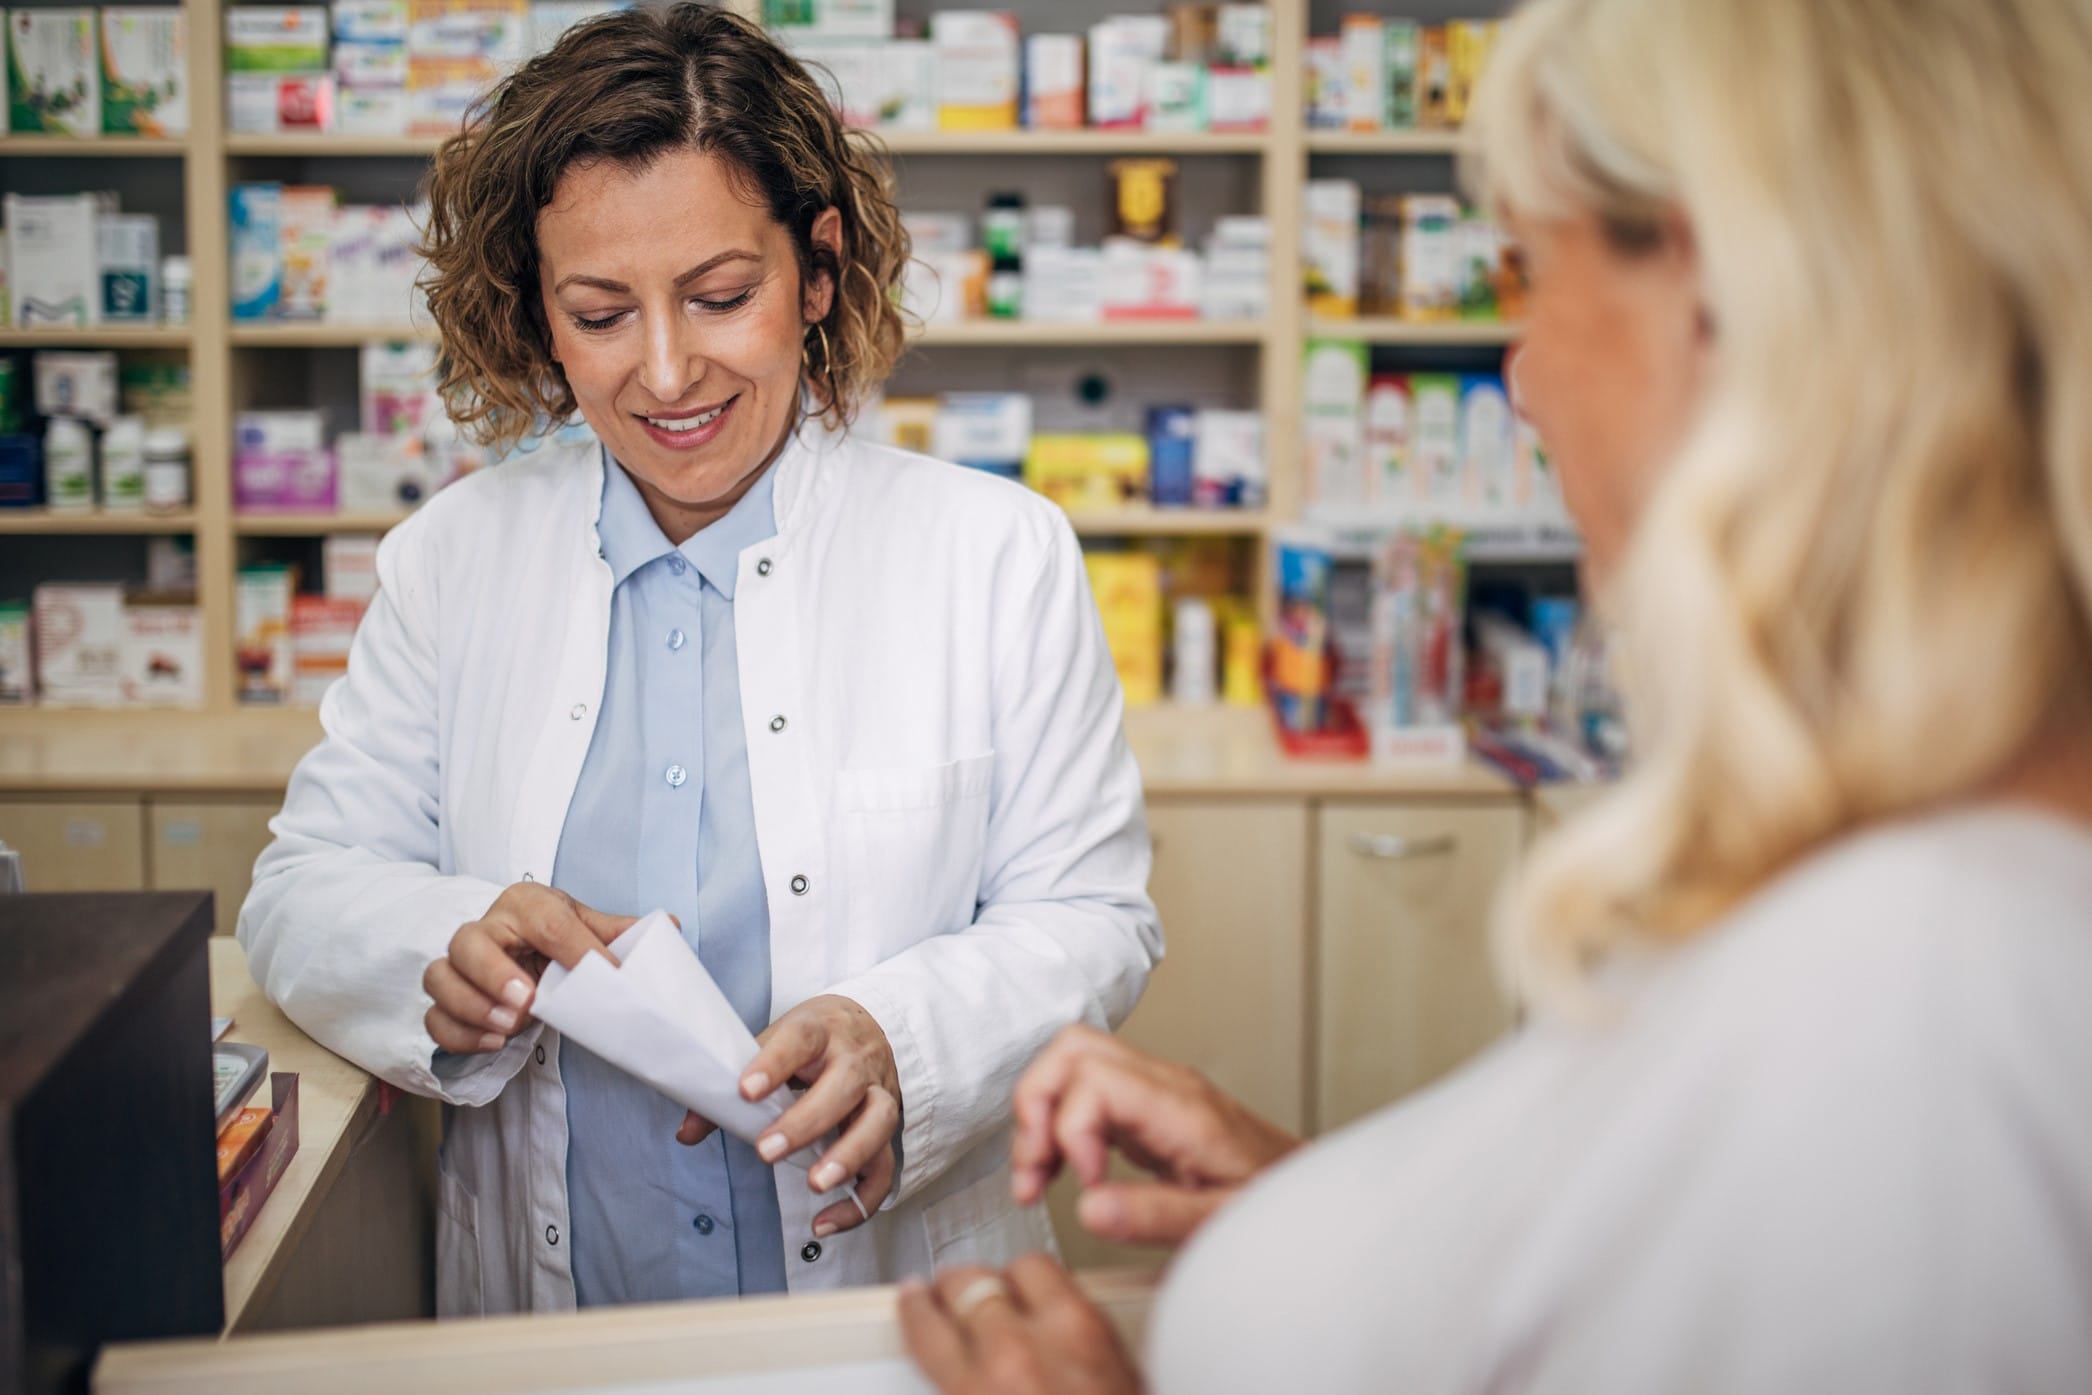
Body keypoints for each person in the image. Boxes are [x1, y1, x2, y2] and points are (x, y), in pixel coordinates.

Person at [900, 0, 2092, 1388]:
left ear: (1722, 299)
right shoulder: (1899, 872)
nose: (1517, 380)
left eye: (1534, 275)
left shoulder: (1923, 989)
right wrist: (1360, 1229)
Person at [237, 4, 1160, 1316]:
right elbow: (296, 893)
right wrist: (444, 944)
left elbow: (1092, 920)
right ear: (539, 315)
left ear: (817, 272)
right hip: (561, 1313)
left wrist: (905, 1040)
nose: (666, 372)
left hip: (894, 1317)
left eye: (722, 297)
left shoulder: (994, 554)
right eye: (601, 312)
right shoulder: (455, 560)